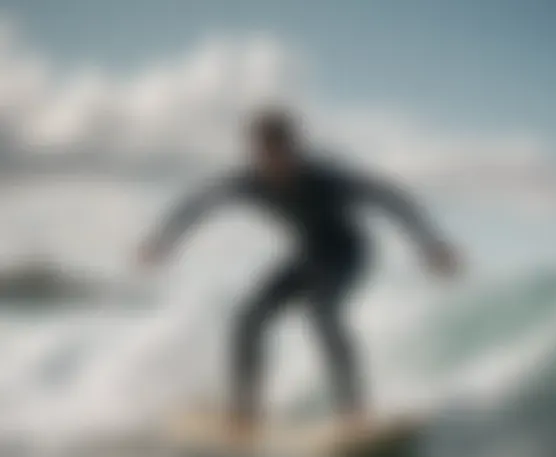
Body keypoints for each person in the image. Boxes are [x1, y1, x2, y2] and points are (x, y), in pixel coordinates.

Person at [138, 108, 459, 432]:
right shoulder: (249, 182)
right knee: (249, 317)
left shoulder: (327, 180)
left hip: (347, 253)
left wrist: (430, 244)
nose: (275, 161)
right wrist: (163, 240)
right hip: (308, 255)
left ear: (294, 148)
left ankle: (353, 411)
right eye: (265, 152)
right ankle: (245, 414)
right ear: (256, 152)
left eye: (281, 151)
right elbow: (200, 202)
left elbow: (389, 197)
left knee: (321, 312)